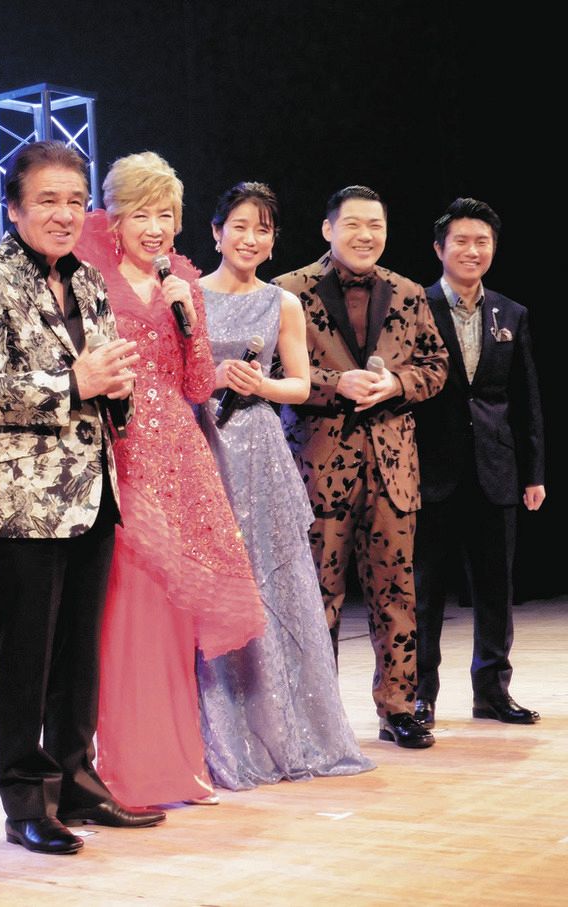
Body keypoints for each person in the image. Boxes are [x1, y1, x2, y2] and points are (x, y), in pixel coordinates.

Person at [0, 139, 164, 858]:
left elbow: (105, 379)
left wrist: (118, 390)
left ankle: (77, 779)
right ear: (13, 208)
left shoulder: (91, 281)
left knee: (78, 656)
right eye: (47, 200)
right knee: (26, 661)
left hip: (94, 491)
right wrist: (76, 383)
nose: (65, 214)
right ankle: (26, 800)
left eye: (75, 201)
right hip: (24, 503)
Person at [73, 153, 263, 807]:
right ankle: (127, 771)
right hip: (120, 452)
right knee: (128, 614)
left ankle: (181, 767)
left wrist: (190, 320)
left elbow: (199, 384)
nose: (154, 228)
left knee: (174, 615)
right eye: (141, 214)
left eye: (165, 215)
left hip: (179, 456)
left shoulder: (182, 281)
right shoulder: (90, 279)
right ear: (115, 219)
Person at [194, 182, 374, 788]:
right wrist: (213, 378)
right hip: (204, 446)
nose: (251, 239)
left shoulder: (282, 303)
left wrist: (259, 385)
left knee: (274, 583)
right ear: (216, 232)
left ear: (273, 241)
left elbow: (299, 384)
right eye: (240, 226)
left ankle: (284, 731)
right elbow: (173, 378)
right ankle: (215, 735)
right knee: (215, 583)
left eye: (263, 229)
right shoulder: (190, 297)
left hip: (262, 449)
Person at [273, 186, 448, 749]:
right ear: (328, 229)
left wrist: (396, 383)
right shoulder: (288, 291)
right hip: (316, 467)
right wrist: (333, 385)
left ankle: (399, 709)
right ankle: (314, 718)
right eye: (352, 224)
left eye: (376, 225)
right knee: (315, 596)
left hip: (393, 471)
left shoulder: (409, 292)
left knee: (396, 594)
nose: (365, 235)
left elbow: (437, 365)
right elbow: (269, 372)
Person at [412, 198, 545, 729]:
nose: (473, 250)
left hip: (496, 469)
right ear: (439, 248)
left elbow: (526, 399)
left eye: (482, 241)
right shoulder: (414, 306)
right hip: (429, 470)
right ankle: (419, 694)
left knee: (495, 589)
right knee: (424, 592)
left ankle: (492, 691)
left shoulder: (511, 313)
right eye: (461, 241)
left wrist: (533, 473)